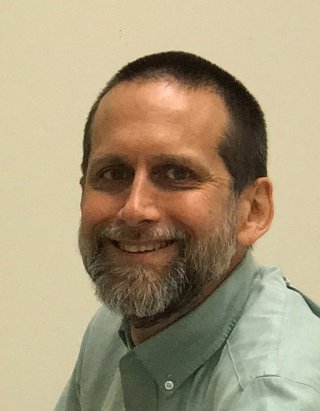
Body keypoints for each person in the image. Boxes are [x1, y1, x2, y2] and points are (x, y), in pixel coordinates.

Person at [55, 51, 320, 411]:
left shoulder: (271, 393)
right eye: (114, 173)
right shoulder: (113, 329)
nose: (134, 209)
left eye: (177, 174)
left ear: (253, 211)